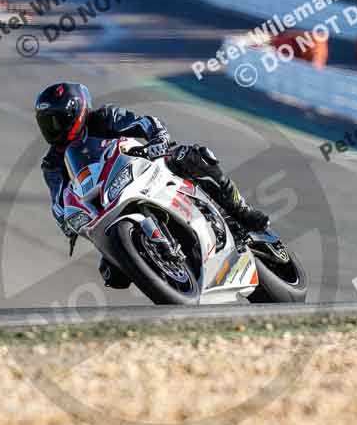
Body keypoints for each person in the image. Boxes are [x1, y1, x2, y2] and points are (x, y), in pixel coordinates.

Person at [35, 82, 269, 289]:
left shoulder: (104, 117)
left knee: (192, 156)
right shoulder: (52, 163)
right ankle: (161, 265)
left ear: (75, 112)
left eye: (57, 121)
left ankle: (241, 210)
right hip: (106, 202)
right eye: (46, 123)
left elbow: (144, 123)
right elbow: (59, 199)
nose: (52, 129)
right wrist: (66, 221)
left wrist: (157, 137)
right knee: (112, 274)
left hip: (144, 166)